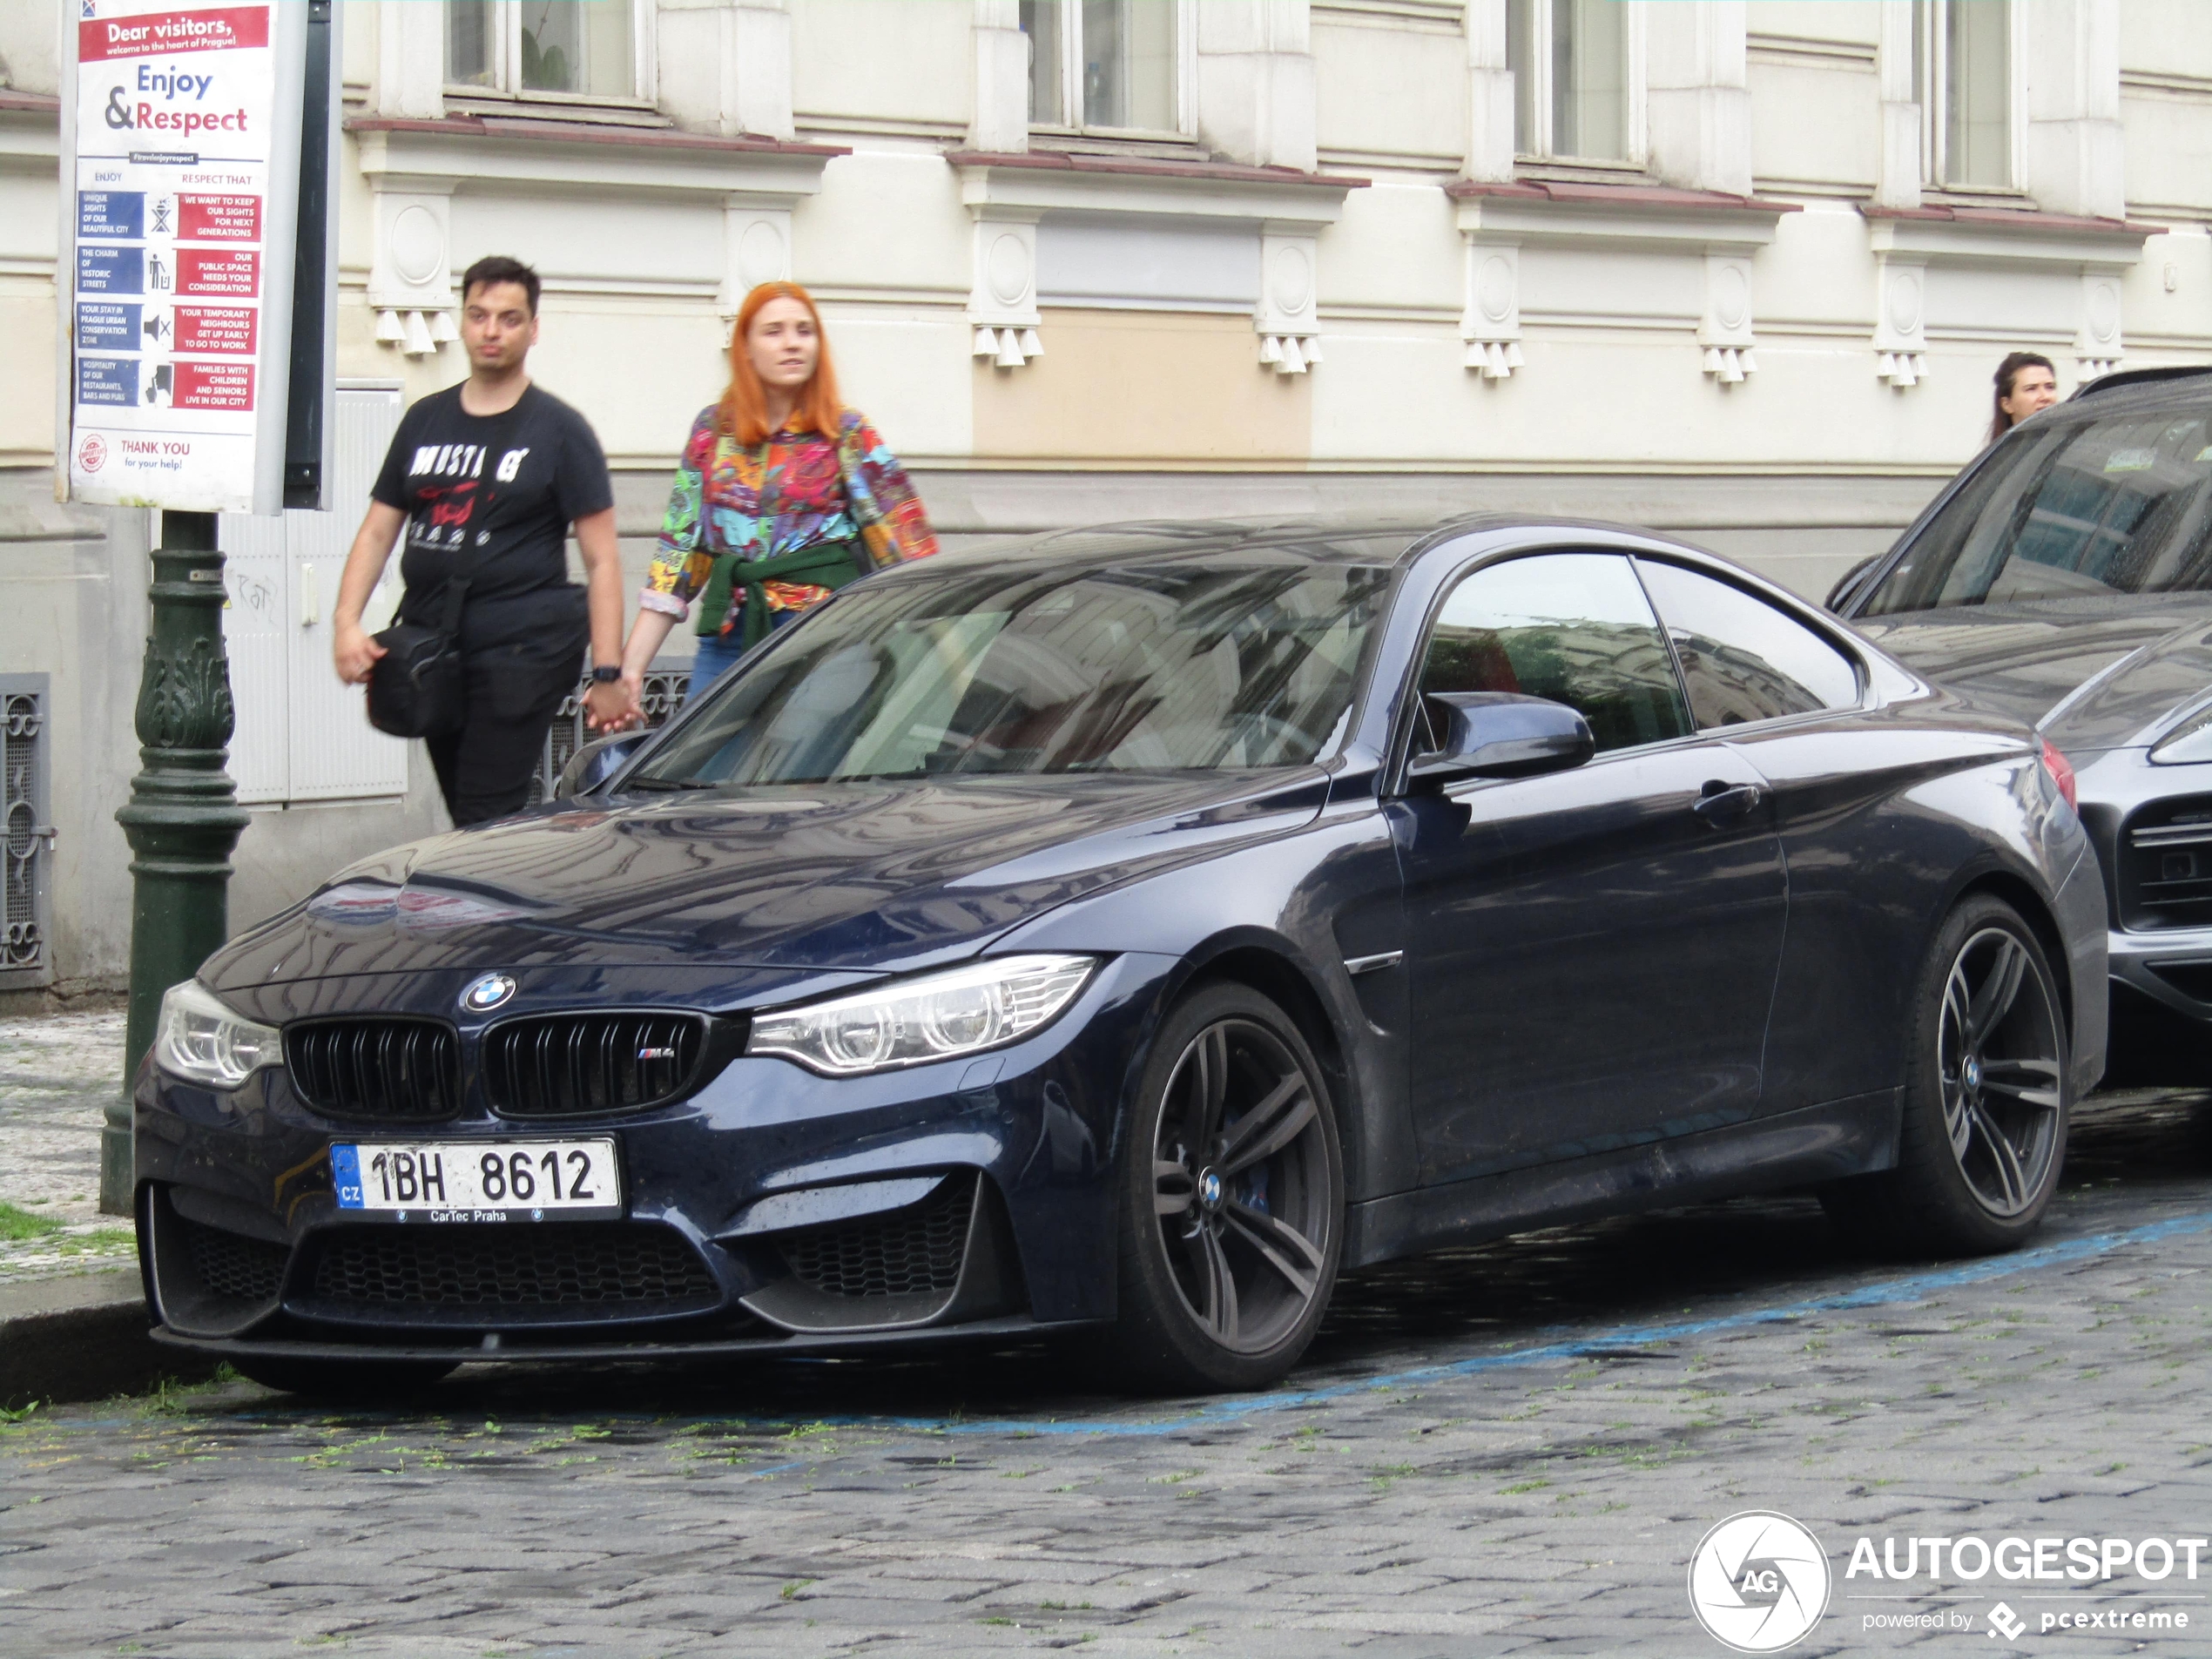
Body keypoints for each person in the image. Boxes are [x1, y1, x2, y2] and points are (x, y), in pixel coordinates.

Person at [331, 255, 631, 826]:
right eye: (479, 315)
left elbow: (604, 560)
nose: (492, 331)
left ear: (533, 328)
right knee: (467, 812)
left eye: (509, 318)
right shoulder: (425, 420)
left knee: (483, 809)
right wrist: (347, 621)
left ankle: (478, 910)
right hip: (433, 648)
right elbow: (377, 530)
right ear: (463, 321)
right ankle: (501, 902)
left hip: (523, 650)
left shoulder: (560, 431)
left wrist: (609, 673)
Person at [613, 280, 939, 708]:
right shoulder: (713, 431)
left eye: (805, 331)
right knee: (698, 764)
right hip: (733, 629)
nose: (793, 344)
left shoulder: (846, 431)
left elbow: (908, 547)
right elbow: (678, 555)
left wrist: (948, 656)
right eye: (774, 331)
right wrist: (631, 671)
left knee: (794, 767)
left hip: (826, 634)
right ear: (745, 347)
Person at [1988, 352, 2059, 446]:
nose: (2045, 397)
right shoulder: (1998, 458)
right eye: (2031, 389)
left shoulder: (2077, 449)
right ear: (2007, 404)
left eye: (2050, 387)